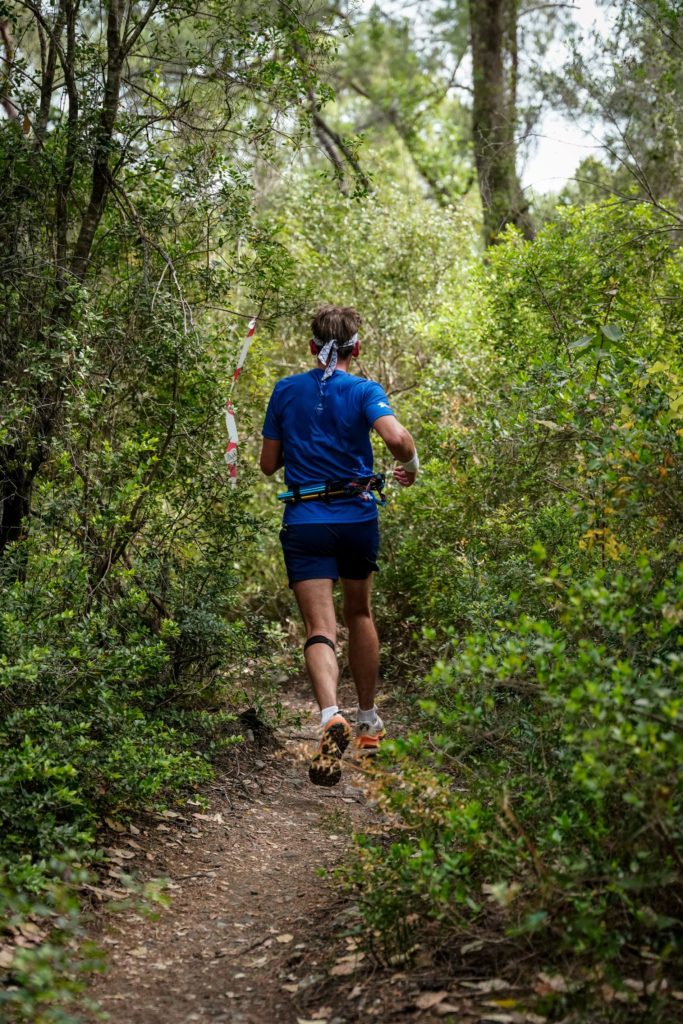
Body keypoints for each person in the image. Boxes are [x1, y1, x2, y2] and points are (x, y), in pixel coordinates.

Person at [260, 305, 419, 787]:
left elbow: (268, 464)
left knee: (319, 626)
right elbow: (395, 437)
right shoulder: (365, 391)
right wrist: (410, 466)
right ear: (357, 348)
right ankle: (368, 721)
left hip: (306, 518)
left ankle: (331, 714)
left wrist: (301, 438)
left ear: (312, 347)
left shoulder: (286, 390)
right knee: (360, 615)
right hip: (356, 517)